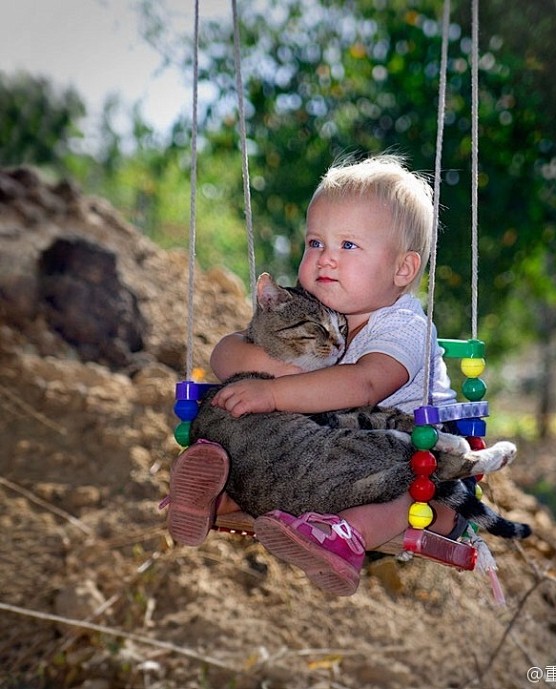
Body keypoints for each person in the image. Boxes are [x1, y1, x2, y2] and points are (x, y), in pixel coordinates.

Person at [168, 154, 488, 595]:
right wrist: (273, 372)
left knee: (421, 496)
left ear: (402, 269)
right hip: (331, 457)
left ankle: (344, 539)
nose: (326, 260)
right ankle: (214, 490)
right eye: (315, 243)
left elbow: (364, 383)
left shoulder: (405, 326)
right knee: (248, 423)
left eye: (348, 246)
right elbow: (227, 352)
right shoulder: (321, 313)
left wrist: (276, 394)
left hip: (416, 455)